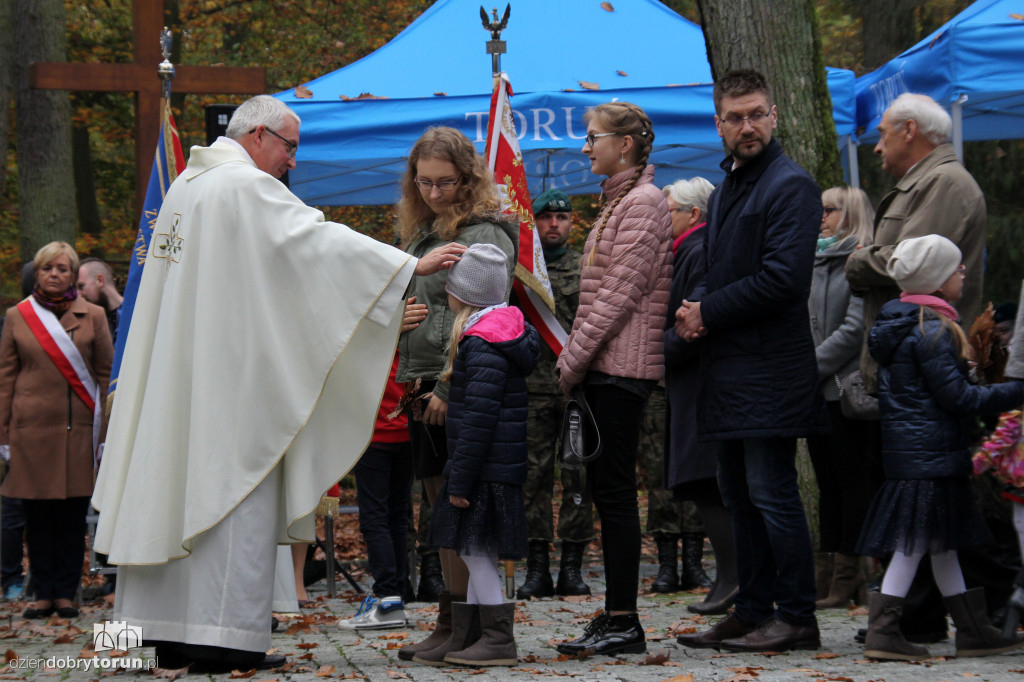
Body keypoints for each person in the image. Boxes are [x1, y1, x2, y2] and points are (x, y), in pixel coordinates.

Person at [90, 95, 464, 673]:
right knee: (233, 497)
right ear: (261, 135)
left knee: (169, 491)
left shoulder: (186, 188)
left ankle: (160, 634)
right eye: (290, 147)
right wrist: (406, 266)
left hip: (183, 378)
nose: (292, 162)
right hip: (232, 388)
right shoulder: (244, 187)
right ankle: (222, 639)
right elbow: (315, 242)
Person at [675, 69, 827, 653]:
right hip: (729, 368)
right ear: (719, 124)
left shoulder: (790, 186)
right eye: (735, 117)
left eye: (757, 114)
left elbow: (783, 281)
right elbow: (724, 264)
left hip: (771, 370)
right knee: (737, 493)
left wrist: (707, 310)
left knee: (771, 492)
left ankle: (797, 616)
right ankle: (752, 608)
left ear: (775, 115)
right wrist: (696, 307)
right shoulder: (733, 185)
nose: (747, 126)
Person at [857, 235, 1024, 660]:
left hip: (918, 454)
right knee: (913, 545)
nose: (963, 272)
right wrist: (1014, 392)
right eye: (956, 268)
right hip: (928, 456)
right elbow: (960, 401)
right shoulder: (932, 331)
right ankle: (883, 633)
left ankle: (973, 630)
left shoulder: (904, 324)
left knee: (940, 545)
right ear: (935, 280)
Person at [394, 126, 518, 664]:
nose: (434, 193)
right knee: (436, 512)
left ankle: (474, 626)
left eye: (446, 183)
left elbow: (487, 316)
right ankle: (452, 621)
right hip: (416, 379)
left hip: (455, 383)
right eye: (423, 182)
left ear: (467, 178)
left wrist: (448, 384)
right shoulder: (419, 234)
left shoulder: (485, 232)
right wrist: (393, 322)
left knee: (459, 508)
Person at [554, 101, 672, 657]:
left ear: (624, 143)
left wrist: (570, 363)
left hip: (621, 371)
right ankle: (615, 612)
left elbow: (614, 299)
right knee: (606, 492)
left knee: (618, 494)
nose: (585, 147)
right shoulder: (618, 202)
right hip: (603, 369)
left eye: (592, 137)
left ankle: (626, 621)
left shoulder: (644, 204)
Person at [419, 244, 539, 667]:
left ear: (462, 295)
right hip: (491, 466)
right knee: (476, 548)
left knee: (474, 552)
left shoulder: (483, 343)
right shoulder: (495, 334)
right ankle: (471, 637)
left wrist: (460, 479)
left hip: (485, 468)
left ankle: (498, 640)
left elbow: (479, 420)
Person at [0, 241, 113, 619]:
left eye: (63, 269)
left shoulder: (93, 315)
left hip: (77, 431)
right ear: (38, 272)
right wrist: (3, 436)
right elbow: (5, 379)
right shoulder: (18, 316)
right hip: (29, 431)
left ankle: (66, 592)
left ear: (72, 275)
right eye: (48, 268)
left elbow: (103, 376)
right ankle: (42, 592)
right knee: (37, 517)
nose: (54, 274)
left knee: (70, 516)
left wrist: (104, 435)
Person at [846, 93, 986, 396]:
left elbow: (915, 264)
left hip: (923, 373)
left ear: (909, 130)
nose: (878, 147)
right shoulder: (930, 182)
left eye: (883, 134)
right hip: (913, 367)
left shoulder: (944, 183)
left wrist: (856, 263)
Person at [661, 176, 739, 615]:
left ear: (693, 214)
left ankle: (732, 578)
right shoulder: (694, 250)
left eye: (667, 211)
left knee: (711, 487)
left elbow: (688, 325)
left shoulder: (696, 252)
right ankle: (730, 577)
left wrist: (656, 351)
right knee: (708, 486)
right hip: (695, 386)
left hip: (701, 388)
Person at [516, 188, 594, 600]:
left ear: (571, 223)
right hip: (532, 389)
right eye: (546, 218)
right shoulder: (524, 273)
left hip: (576, 390)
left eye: (562, 218)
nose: (554, 224)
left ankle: (572, 568)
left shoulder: (588, 267)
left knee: (579, 477)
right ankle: (538, 568)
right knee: (533, 479)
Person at [806, 186, 875, 610]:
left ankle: (855, 574)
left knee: (855, 484)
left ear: (849, 214)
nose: (821, 217)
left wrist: (808, 367)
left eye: (829, 210)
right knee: (827, 485)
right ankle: (827, 572)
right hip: (816, 393)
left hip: (848, 391)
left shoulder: (861, 261)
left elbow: (855, 330)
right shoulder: (813, 260)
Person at [338, 352, 413, 630]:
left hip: (377, 433)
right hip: (405, 430)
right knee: (395, 516)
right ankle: (396, 596)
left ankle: (388, 599)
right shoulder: (416, 317)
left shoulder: (374, 324)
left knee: (376, 518)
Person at [77, 258, 123, 344]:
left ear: (100, 280)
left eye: (81, 286)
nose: (78, 295)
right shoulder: (89, 323)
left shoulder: (136, 314)